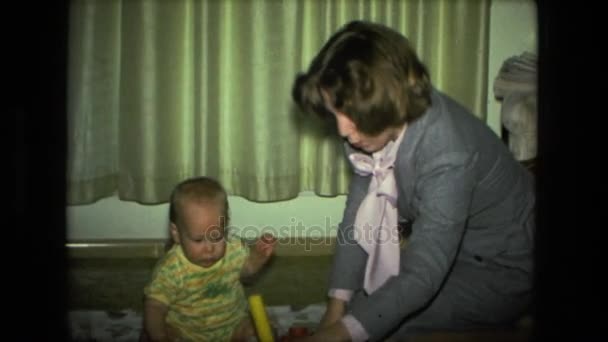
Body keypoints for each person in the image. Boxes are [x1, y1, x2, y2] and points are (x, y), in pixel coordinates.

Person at [291, 20, 535, 341]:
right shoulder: (368, 121)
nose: (342, 131)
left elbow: (423, 274)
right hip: (455, 249)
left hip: (503, 270)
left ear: (389, 101)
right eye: (335, 112)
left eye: (347, 114)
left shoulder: (448, 151)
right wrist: (335, 308)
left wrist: (341, 333)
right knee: (360, 308)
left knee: (383, 324)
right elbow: (357, 219)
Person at [141, 176, 277, 341]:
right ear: (176, 233)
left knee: (263, 328)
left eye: (217, 236)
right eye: (198, 240)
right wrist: (159, 336)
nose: (209, 248)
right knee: (151, 334)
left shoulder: (233, 249)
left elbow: (246, 271)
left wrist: (257, 257)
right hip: (185, 331)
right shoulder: (171, 268)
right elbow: (155, 305)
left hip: (232, 326)